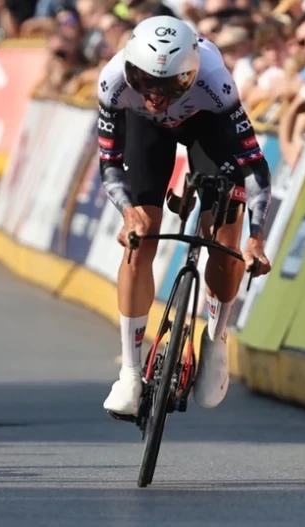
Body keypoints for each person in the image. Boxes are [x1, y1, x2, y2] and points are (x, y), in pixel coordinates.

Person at [95, 15, 274, 417]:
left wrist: (256, 237)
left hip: (205, 126)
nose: (156, 96)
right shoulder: (114, 82)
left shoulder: (215, 82)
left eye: (171, 85)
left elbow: (256, 168)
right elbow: (109, 163)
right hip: (145, 131)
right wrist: (128, 215)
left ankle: (215, 336)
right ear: (129, 68)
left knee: (224, 241)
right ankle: (129, 371)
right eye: (144, 81)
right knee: (140, 239)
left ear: (191, 74)